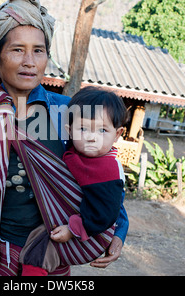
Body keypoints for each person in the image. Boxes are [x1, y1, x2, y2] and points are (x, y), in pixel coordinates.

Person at [0, 0, 129, 276]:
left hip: (50, 256)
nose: (29, 61)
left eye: (38, 50)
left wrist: (119, 231)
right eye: (17, 49)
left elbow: (104, 176)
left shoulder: (68, 113)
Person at [19, 86, 127, 276]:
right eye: (83, 129)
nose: (91, 137)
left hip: (90, 234)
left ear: (117, 134)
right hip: (76, 225)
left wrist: (73, 229)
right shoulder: (78, 151)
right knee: (36, 245)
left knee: (38, 252)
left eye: (102, 130)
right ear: (69, 131)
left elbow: (107, 211)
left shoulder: (106, 170)